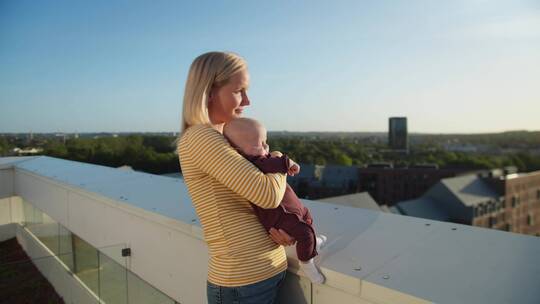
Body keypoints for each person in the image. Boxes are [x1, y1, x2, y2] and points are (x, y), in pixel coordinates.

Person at [177, 51, 295, 304]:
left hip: (258, 277)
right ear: (208, 91)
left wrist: (285, 226)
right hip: (241, 283)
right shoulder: (201, 137)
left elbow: (254, 205)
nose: (248, 101)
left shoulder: (223, 139)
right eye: (239, 91)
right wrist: (276, 157)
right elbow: (268, 194)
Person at [223, 117, 327, 284]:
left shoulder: (257, 160)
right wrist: (289, 162)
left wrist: (278, 158)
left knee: (307, 218)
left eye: (266, 142)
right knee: (305, 232)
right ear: (238, 151)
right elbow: (276, 161)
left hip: (290, 210)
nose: (266, 147)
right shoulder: (254, 163)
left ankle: (312, 244)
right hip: (282, 216)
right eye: (260, 144)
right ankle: (306, 263)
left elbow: (274, 158)